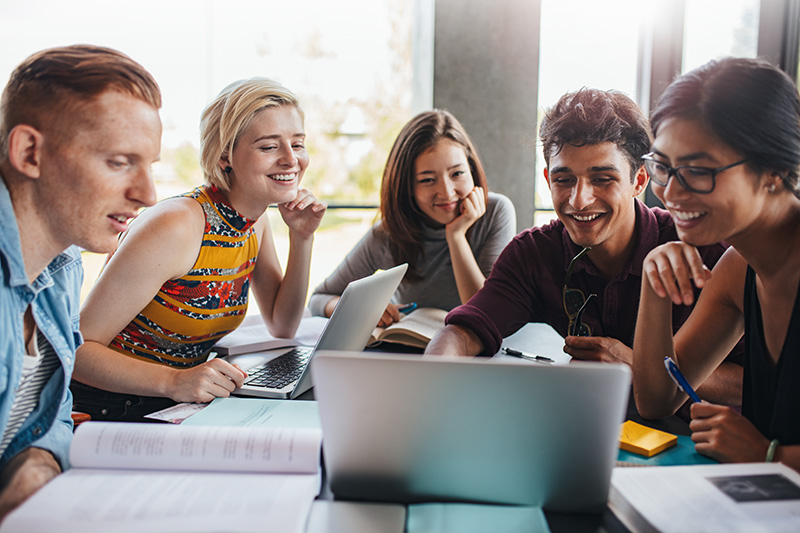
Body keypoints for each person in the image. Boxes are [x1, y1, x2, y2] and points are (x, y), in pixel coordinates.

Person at [426, 88, 743, 406]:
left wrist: (635, 365)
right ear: (549, 179)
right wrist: (430, 386)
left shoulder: (706, 251)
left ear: (639, 180)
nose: (579, 200)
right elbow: (462, 333)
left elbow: (755, 385)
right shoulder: (533, 253)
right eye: (564, 180)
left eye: (603, 179)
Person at [71, 78, 326, 420]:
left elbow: (283, 324)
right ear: (225, 156)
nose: (290, 159)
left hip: (175, 404)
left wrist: (302, 237)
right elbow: (77, 351)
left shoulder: (254, 220)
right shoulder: (176, 225)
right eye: (269, 147)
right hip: (111, 408)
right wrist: (176, 381)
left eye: (297, 144)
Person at [0, 45, 161, 519]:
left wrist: (40, 458)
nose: (147, 194)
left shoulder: (63, 263)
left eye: (149, 164)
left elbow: (50, 414)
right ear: (29, 152)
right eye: (118, 162)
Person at [632, 58, 800, 471]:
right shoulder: (738, 269)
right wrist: (654, 285)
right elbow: (656, 400)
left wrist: (768, 456)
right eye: (663, 167)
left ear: (775, 171)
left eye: (696, 171)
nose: (670, 192)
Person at [308, 110, 516, 326]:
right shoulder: (388, 234)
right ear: (407, 187)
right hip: (408, 351)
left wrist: (456, 235)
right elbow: (318, 299)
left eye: (457, 174)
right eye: (427, 180)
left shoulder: (496, 212)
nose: (446, 192)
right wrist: (361, 310)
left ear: (471, 170)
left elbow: (485, 312)